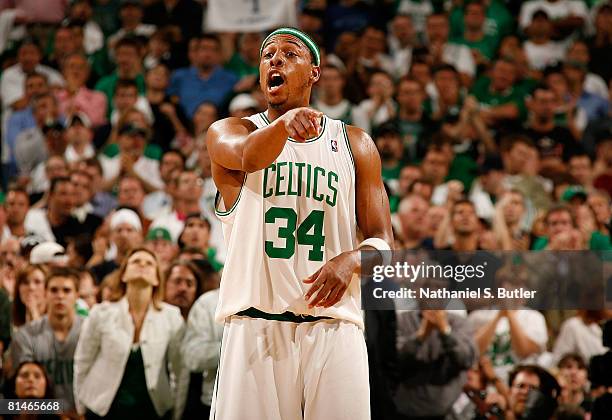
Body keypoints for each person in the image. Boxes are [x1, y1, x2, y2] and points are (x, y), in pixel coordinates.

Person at [206, 27, 393, 419]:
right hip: (254, 329)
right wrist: (284, 125)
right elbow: (248, 157)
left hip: (334, 329)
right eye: (267, 55)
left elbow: (384, 245)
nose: (275, 59)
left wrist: (352, 261)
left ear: (315, 73)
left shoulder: (356, 144)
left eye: (290, 54)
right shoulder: (230, 131)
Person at [74, 247, 184, 419]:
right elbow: (83, 361)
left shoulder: (172, 316)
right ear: (124, 274)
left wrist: (177, 413)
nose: (142, 265)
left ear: (157, 278)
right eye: (136, 262)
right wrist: (80, 407)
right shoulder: (100, 313)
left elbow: (179, 371)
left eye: (149, 263)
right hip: (102, 409)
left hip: (152, 411)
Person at [9, 267, 84, 414]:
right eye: (54, 290)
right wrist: (60, 413)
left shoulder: (90, 332)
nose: (60, 296)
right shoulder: (26, 335)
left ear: (77, 296)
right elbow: (18, 400)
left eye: (67, 291)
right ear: (45, 294)